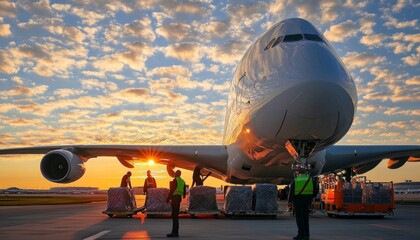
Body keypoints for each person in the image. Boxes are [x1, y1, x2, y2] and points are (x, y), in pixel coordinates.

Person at [288, 170, 318, 240]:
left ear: (298, 173)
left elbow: (291, 192)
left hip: (298, 201)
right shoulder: (310, 179)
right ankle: (306, 235)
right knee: (305, 218)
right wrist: (310, 197)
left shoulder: (296, 180)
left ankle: (301, 235)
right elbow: (315, 192)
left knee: (299, 218)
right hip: (307, 200)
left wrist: (289, 201)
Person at [166, 170, 186, 238]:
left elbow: (172, 190)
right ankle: (175, 231)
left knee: (174, 216)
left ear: (176, 174)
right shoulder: (182, 181)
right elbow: (184, 191)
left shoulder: (175, 180)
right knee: (176, 216)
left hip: (175, 198)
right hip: (179, 198)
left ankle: (174, 232)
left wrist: (168, 198)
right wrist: (182, 196)